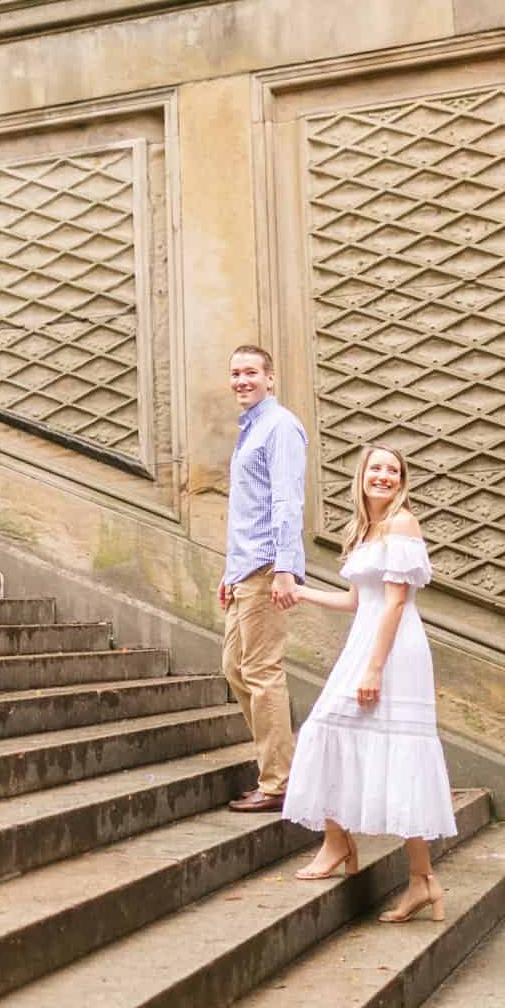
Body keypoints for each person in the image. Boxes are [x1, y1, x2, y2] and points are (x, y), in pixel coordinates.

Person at [282, 443, 457, 922]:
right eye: (376, 468)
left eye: (392, 470)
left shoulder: (402, 523)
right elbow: (359, 601)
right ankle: (358, 851)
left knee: (360, 741)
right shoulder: (364, 529)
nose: (383, 476)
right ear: (361, 475)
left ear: (402, 481)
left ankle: (416, 877)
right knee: (327, 733)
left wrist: (375, 668)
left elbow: (396, 603)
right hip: (366, 641)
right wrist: (301, 593)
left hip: (394, 651)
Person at [219, 345, 307, 812]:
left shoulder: (280, 427)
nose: (242, 380)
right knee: (235, 668)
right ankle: (282, 767)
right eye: (235, 373)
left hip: (268, 568)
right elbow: (247, 511)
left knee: (261, 670)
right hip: (245, 569)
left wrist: (286, 570)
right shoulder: (250, 429)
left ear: (270, 379)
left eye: (251, 372)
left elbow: (287, 503)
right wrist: (229, 571)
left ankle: (280, 783)